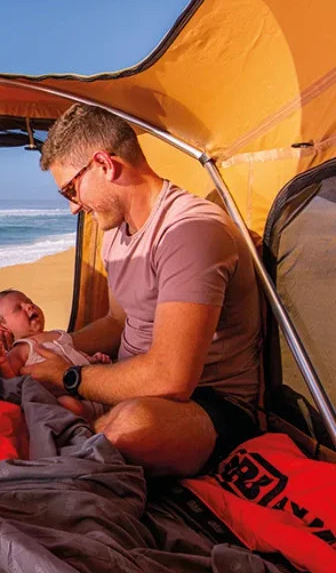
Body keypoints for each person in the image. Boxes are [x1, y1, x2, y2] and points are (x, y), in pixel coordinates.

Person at [22, 105, 262, 477]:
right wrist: (54, 348)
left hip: (206, 404)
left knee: (135, 425)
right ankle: (75, 446)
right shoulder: (116, 235)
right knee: (27, 391)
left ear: (104, 164)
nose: (72, 208)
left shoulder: (189, 232)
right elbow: (118, 321)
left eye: (71, 189)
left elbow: (171, 378)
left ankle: (73, 452)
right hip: (132, 383)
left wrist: (71, 376)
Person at [0, 288, 110, 419]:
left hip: (90, 389)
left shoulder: (58, 334)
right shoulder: (22, 349)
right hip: (70, 399)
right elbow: (12, 383)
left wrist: (92, 359)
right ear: (3, 329)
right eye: (18, 309)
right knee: (67, 404)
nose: (29, 305)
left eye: (29, 301)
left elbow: (73, 353)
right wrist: (3, 363)